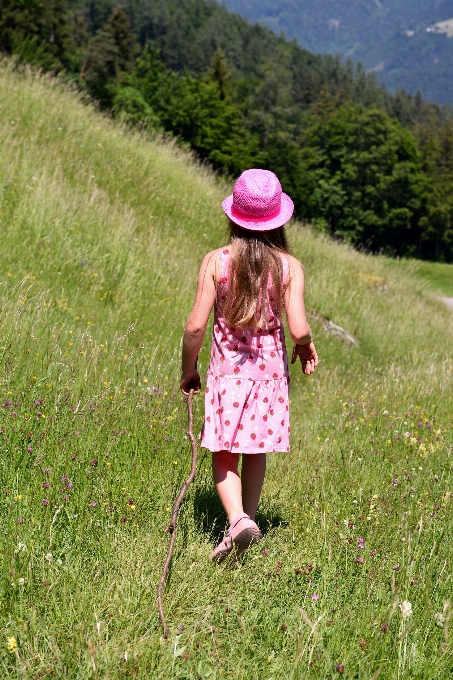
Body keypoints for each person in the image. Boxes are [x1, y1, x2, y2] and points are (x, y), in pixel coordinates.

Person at [180, 169, 318, 563]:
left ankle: (237, 519)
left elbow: (194, 326)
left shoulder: (217, 262)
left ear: (233, 216)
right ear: (278, 219)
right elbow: (298, 328)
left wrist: (188, 369)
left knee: (224, 453)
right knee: (255, 451)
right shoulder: (288, 267)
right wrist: (306, 347)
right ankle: (247, 524)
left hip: (227, 378)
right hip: (270, 380)